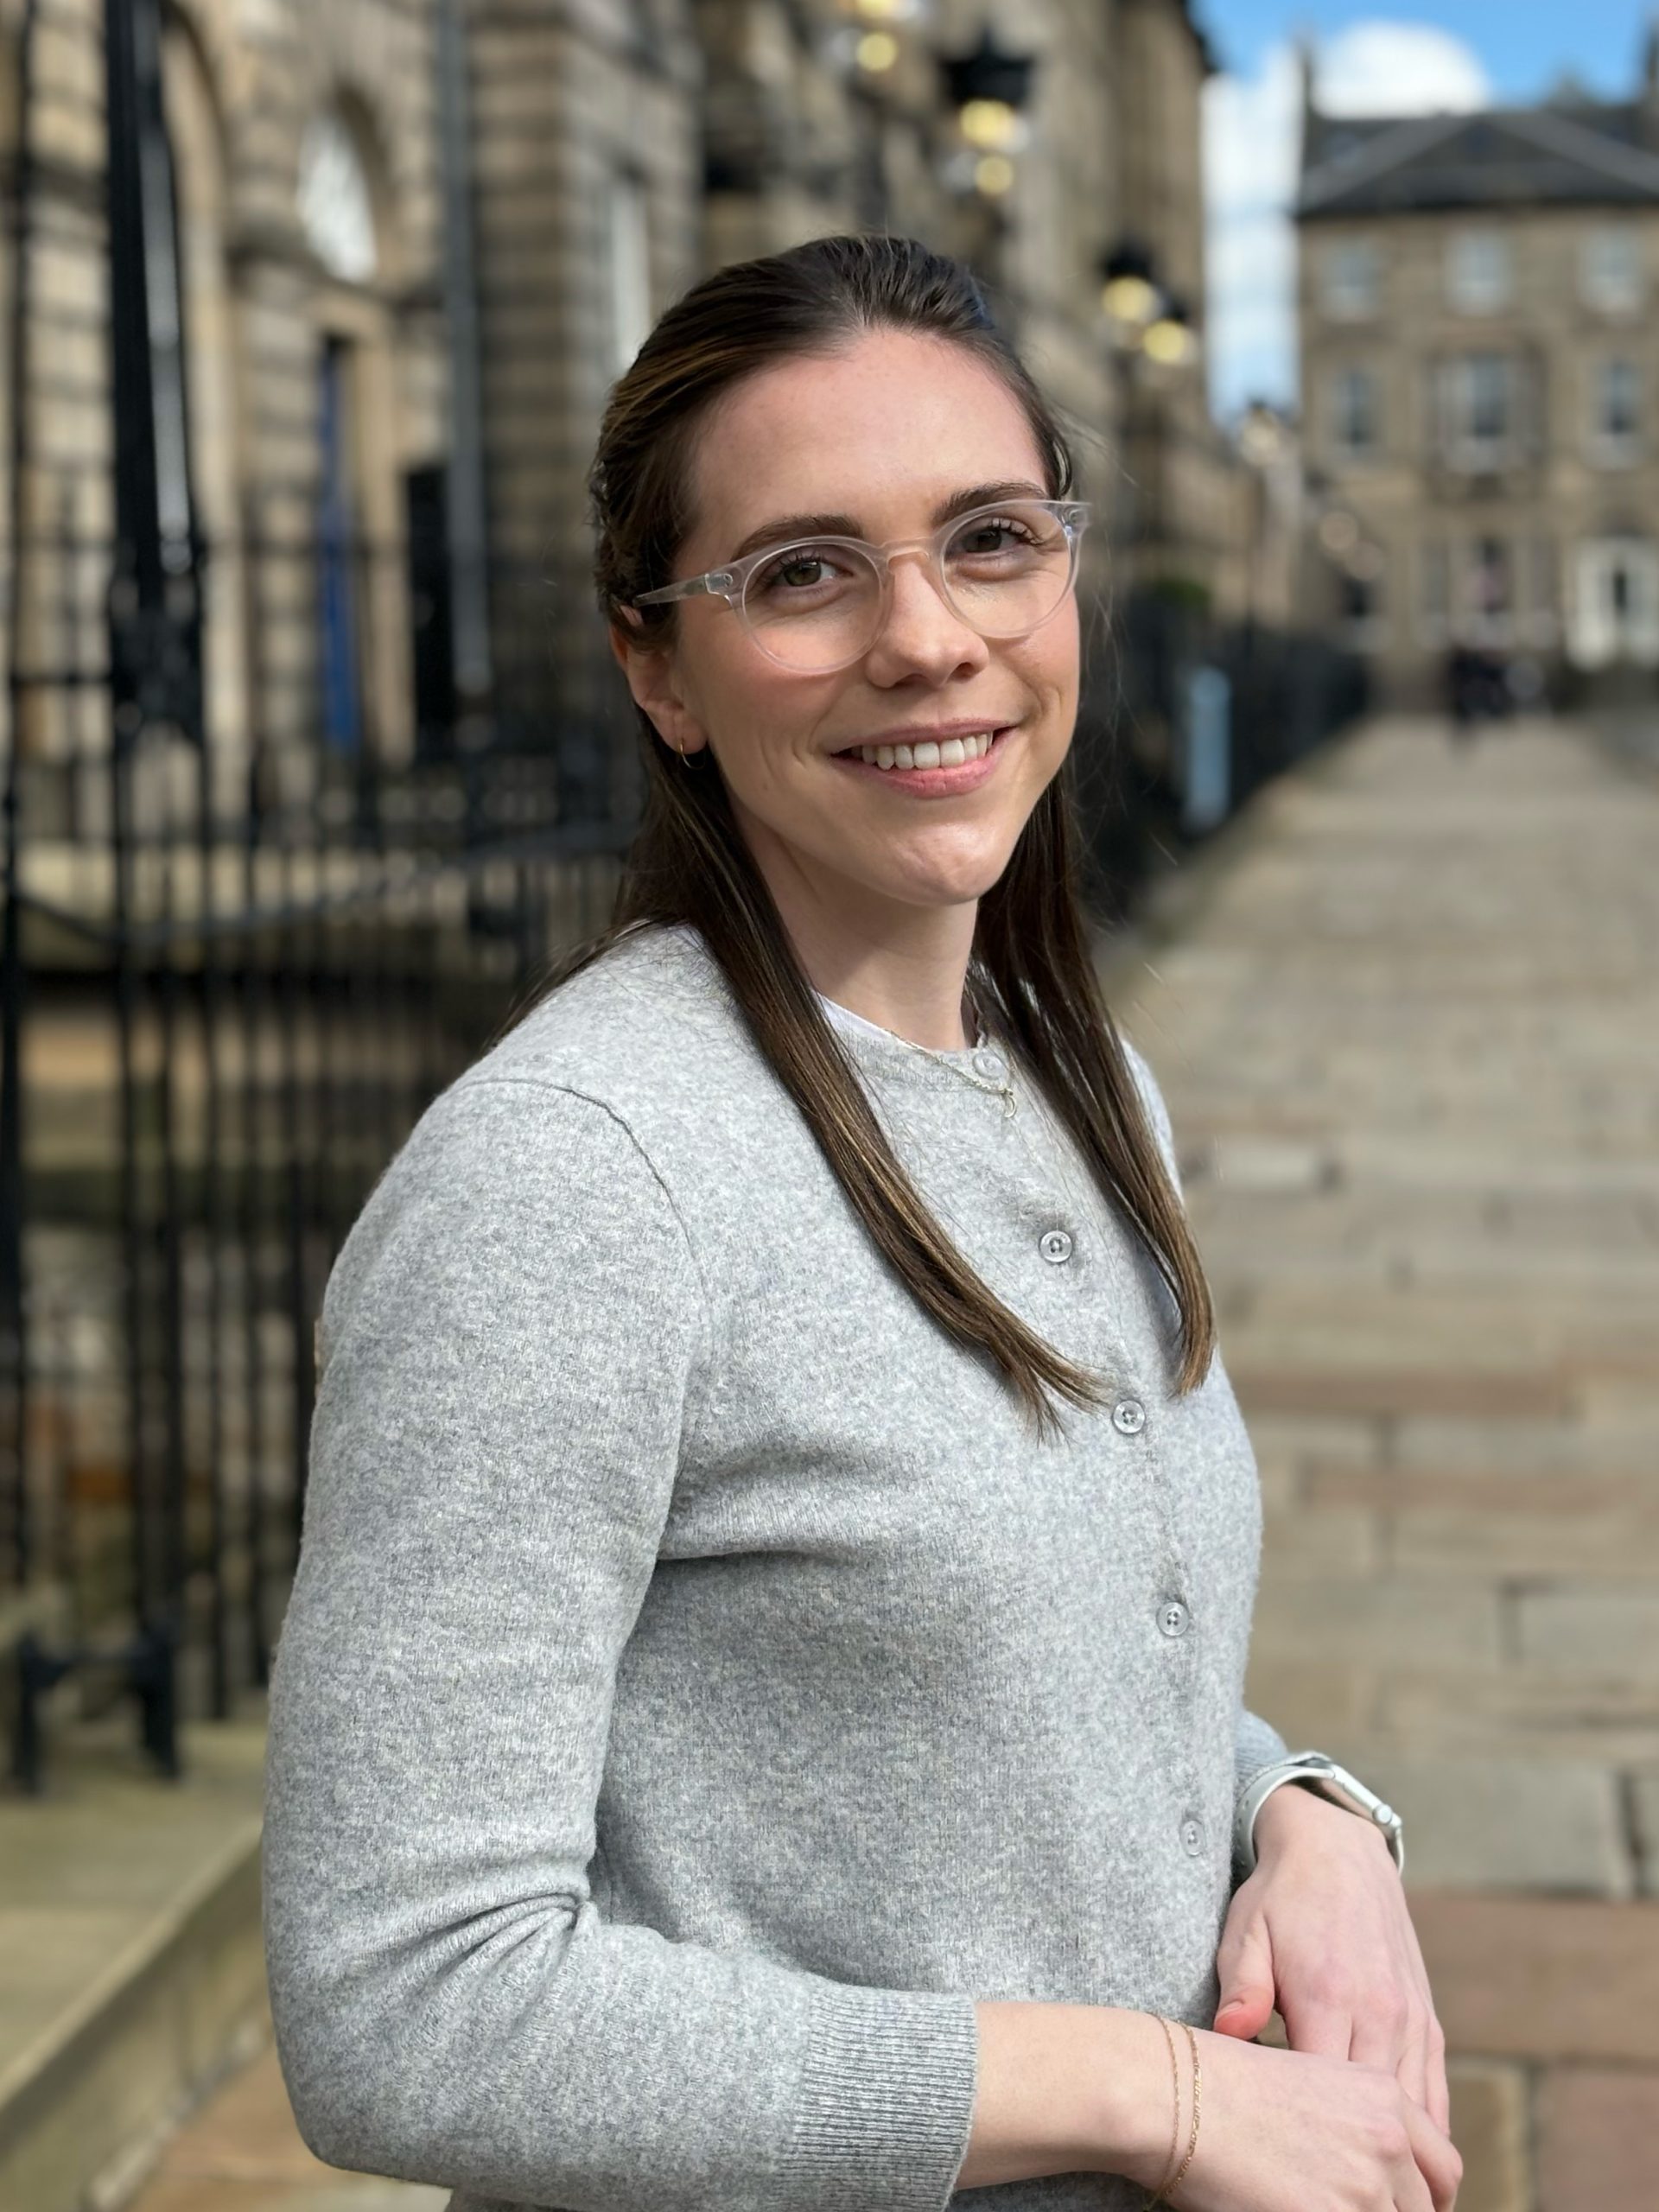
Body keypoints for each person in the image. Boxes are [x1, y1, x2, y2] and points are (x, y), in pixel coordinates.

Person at [263, 234, 1462, 2212]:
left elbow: (1023, 1655)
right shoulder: (572, 1179)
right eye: (804, 570)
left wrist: (1301, 1812)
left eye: (988, 537)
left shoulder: (1071, 1071)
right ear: (658, 661)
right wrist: (1151, 2094)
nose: (927, 635)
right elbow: (408, 2003)